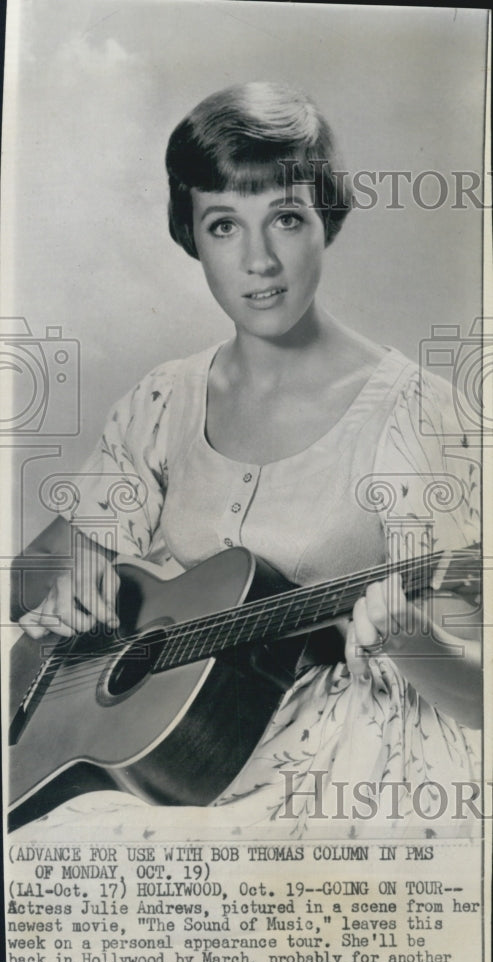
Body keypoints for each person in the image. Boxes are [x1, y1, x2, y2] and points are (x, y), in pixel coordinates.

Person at [15, 82, 481, 834]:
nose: (259, 260)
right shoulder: (164, 401)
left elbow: (482, 699)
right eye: (225, 224)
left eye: (286, 218)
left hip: (339, 786)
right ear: (191, 234)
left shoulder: (419, 417)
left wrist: (411, 645)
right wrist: (65, 587)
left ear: (324, 221)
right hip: (163, 773)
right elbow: (29, 577)